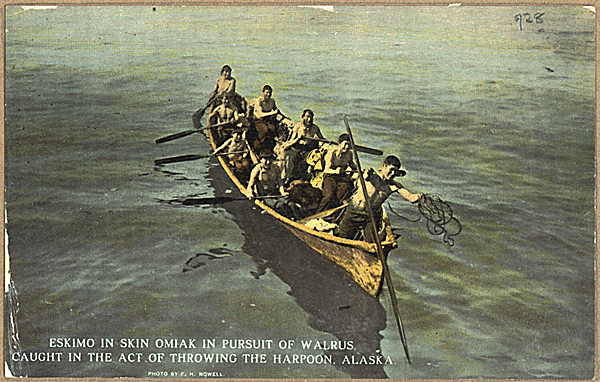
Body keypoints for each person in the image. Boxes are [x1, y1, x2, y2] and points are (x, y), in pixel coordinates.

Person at [334, 155, 422, 243]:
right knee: (342, 237)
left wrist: (418, 197)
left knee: (372, 242)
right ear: (384, 166)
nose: (392, 174)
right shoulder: (372, 175)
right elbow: (363, 176)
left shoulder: (393, 185)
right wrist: (365, 175)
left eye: (395, 171)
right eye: (391, 170)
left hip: (371, 216)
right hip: (355, 210)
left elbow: (410, 197)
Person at [281, 109, 325, 183]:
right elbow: (291, 141)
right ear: (303, 117)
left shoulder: (315, 128)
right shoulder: (298, 127)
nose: (309, 119)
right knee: (292, 158)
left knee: (311, 159)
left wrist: (323, 144)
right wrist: (298, 139)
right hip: (297, 147)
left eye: (311, 117)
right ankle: (289, 177)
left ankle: (307, 177)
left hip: (308, 148)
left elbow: (322, 139)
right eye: (307, 117)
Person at [316, 133, 357, 212]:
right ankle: (319, 212)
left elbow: (352, 165)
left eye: (349, 144)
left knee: (342, 194)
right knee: (328, 196)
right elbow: (326, 169)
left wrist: (358, 170)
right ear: (339, 144)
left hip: (341, 177)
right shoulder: (332, 153)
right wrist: (336, 171)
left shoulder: (349, 153)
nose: (347, 147)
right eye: (345, 144)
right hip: (329, 176)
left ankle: (333, 213)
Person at [249, 85, 282, 152]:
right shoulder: (258, 101)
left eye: (270, 93)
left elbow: (276, 110)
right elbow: (260, 115)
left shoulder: (272, 101)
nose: (268, 94)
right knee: (265, 130)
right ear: (262, 92)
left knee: (274, 129)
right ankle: (259, 148)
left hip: (268, 120)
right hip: (258, 120)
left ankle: (271, 147)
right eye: (267, 92)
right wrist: (272, 113)